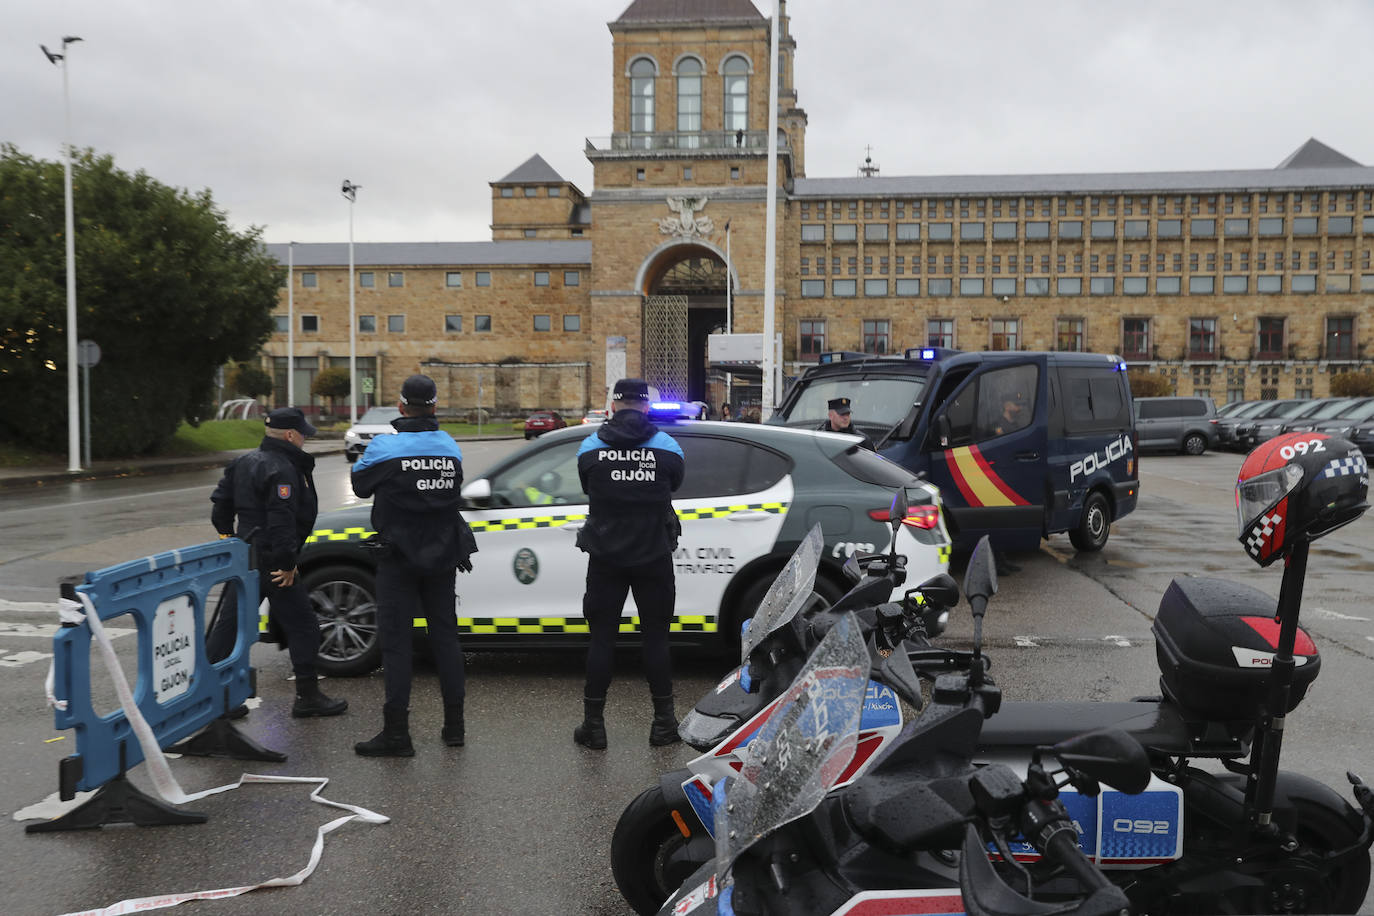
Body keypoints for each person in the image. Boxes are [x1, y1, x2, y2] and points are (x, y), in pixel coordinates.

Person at [350, 374, 477, 757]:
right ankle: (454, 728)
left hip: (398, 556)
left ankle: (397, 734)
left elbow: (359, 486)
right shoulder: (449, 446)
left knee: (396, 643)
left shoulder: (384, 447)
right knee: (446, 639)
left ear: (401, 407)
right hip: (442, 555)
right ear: (435, 407)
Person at [209, 407, 347, 719]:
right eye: (302, 434)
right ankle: (308, 697)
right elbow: (281, 521)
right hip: (273, 560)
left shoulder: (243, 462)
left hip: (245, 555)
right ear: (289, 435)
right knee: (304, 626)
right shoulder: (282, 468)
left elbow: (220, 507)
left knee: (230, 627)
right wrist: (287, 564)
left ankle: (215, 697)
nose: (305, 439)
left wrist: (231, 540)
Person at [572, 378, 685, 750]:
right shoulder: (668, 447)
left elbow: (589, 486)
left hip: (605, 558)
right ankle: (664, 724)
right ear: (646, 407)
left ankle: (594, 726)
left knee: (602, 639)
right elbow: (676, 484)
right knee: (656, 639)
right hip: (653, 556)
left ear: (614, 406)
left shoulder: (590, 447)